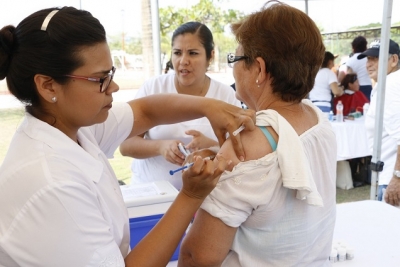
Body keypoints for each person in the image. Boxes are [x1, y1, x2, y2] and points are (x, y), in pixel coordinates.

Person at [0, 7, 256, 267]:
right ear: (48, 85)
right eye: (99, 79)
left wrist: (207, 106)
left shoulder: (74, 127)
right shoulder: (52, 183)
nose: (113, 87)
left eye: (110, 74)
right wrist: (190, 196)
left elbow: (145, 111)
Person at [178, 2, 337, 266]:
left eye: (236, 59)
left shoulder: (248, 142)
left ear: (260, 70)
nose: (234, 69)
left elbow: (198, 256)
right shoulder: (318, 120)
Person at [119, 21, 241, 190]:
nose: (184, 61)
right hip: (153, 195)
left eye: (193, 53)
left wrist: (211, 146)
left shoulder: (225, 95)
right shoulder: (153, 88)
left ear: (210, 56)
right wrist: (161, 147)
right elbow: (126, 145)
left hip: (207, 198)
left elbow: (240, 151)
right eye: (177, 53)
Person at [358, 39, 400, 205]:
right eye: (368, 59)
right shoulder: (388, 83)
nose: (369, 64)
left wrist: (397, 176)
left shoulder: (390, 84)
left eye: (375, 58)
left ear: (394, 60)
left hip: (391, 176)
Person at [346, 36, 373, 101]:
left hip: (355, 88)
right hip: (368, 86)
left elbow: (349, 76)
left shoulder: (350, 60)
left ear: (353, 47)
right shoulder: (369, 59)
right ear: (365, 46)